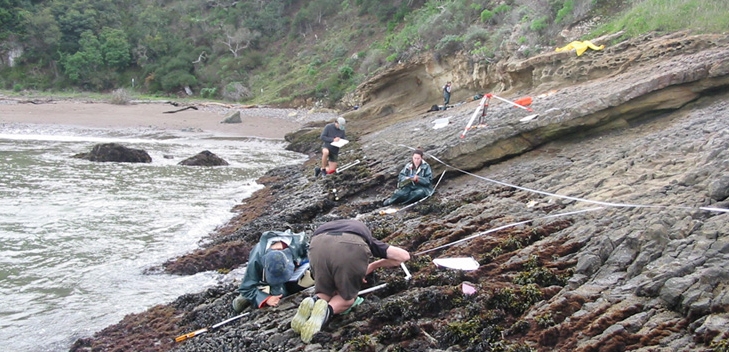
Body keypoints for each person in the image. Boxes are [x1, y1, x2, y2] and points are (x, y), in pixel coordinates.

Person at [290, 219, 410, 343]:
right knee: (346, 298)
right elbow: (403, 256)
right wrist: (375, 265)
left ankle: (313, 301)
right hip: (350, 244)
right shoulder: (367, 239)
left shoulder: (344, 226)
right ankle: (325, 313)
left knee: (325, 291)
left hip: (317, 244)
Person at [231, 230, 313, 312]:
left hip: (297, 275)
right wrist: (266, 299)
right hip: (267, 284)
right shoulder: (256, 259)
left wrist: (300, 263)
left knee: (315, 279)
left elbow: (311, 257)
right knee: (239, 305)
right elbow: (246, 288)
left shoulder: (297, 242)